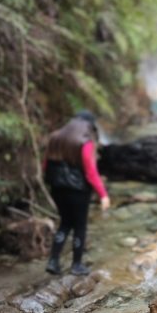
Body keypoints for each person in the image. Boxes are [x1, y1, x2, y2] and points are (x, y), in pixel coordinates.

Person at [43, 110, 110, 276]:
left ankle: (53, 261)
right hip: (78, 191)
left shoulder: (55, 137)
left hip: (57, 188)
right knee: (80, 226)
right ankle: (77, 265)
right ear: (88, 125)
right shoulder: (84, 142)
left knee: (65, 223)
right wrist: (103, 194)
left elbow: (45, 164)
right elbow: (90, 172)